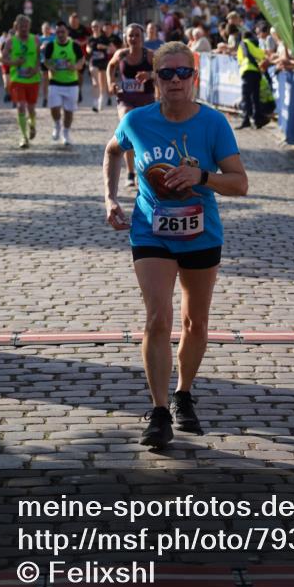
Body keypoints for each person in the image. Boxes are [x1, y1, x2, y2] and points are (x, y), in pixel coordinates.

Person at [103, 42, 248, 449]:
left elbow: (240, 183)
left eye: (184, 73)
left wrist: (202, 176)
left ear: (195, 78)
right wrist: (111, 197)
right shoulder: (136, 120)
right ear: (154, 79)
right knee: (157, 318)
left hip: (201, 234)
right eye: (167, 74)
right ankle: (159, 409)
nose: (176, 81)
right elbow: (113, 151)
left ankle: (184, 393)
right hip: (151, 231)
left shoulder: (214, 124)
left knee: (194, 323)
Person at [107, 24, 155, 188]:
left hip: (146, 99)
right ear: (125, 38)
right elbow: (110, 66)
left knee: (144, 136)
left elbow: (162, 72)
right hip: (125, 98)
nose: (133, 39)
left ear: (142, 38)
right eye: (130, 36)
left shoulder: (149, 56)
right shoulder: (121, 54)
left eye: (136, 35)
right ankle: (130, 172)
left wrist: (149, 75)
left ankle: (145, 170)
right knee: (128, 129)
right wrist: (111, 82)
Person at [1, 14, 41, 148]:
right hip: (17, 79)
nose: (24, 28)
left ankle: (32, 124)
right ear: (16, 26)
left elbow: (39, 58)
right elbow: (3, 59)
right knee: (21, 106)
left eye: (26, 26)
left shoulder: (35, 39)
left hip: (33, 79)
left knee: (31, 109)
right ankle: (24, 137)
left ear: (29, 26)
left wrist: (36, 68)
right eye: (21, 26)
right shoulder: (10, 42)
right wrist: (14, 62)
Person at [43, 19, 85, 146]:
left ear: (67, 32)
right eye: (58, 32)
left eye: (62, 32)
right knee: (54, 107)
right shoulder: (51, 46)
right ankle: (57, 125)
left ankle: (66, 133)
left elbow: (82, 60)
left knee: (68, 111)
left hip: (71, 83)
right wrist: (50, 67)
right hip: (55, 82)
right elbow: (45, 61)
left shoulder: (74, 45)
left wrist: (75, 66)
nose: (60, 34)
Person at [237, 30, 269, 130]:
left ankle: (246, 119)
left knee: (246, 97)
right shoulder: (256, 47)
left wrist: (254, 65)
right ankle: (257, 120)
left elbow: (247, 55)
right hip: (256, 73)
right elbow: (263, 57)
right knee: (255, 97)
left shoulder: (244, 42)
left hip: (248, 72)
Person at [87, 20, 110, 113]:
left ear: (99, 27)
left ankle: (101, 100)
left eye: (96, 26)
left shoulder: (104, 38)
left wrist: (103, 47)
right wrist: (88, 49)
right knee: (95, 82)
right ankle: (95, 103)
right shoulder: (90, 39)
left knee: (102, 83)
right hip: (93, 61)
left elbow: (110, 48)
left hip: (103, 62)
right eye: (93, 26)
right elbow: (87, 47)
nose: (95, 28)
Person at [39, 22, 54, 108]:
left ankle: (52, 97)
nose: (46, 30)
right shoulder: (39, 39)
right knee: (44, 80)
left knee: (51, 79)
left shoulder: (53, 38)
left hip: (52, 61)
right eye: (45, 28)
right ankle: (45, 98)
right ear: (42, 30)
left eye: (48, 28)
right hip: (43, 61)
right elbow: (37, 50)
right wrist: (41, 47)